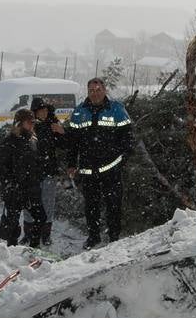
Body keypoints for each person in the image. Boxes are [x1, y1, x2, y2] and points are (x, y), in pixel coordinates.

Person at [65, 77, 133, 249]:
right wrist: (71, 164)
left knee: (113, 205)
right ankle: (93, 237)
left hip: (111, 167)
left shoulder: (116, 109)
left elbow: (127, 136)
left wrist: (123, 159)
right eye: (91, 91)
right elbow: (72, 142)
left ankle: (114, 237)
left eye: (98, 90)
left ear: (105, 90)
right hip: (88, 169)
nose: (95, 94)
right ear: (87, 92)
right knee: (91, 206)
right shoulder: (79, 112)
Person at [0, 108, 48, 248]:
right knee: (12, 223)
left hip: (31, 189)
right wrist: (10, 184)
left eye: (33, 122)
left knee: (41, 217)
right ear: (19, 123)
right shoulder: (9, 142)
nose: (32, 125)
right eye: (29, 122)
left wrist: (38, 176)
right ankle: (11, 249)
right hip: (15, 190)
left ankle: (34, 247)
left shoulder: (33, 141)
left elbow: (37, 163)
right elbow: (1, 167)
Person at [31, 97, 66, 245]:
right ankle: (30, 234)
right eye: (40, 111)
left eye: (45, 110)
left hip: (49, 170)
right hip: (32, 172)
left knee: (48, 204)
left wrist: (62, 132)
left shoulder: (52, 125)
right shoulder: (29, 126)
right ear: (34, 112)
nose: (43, 113)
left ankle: (46, 236)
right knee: (30, 205)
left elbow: (64, 145)